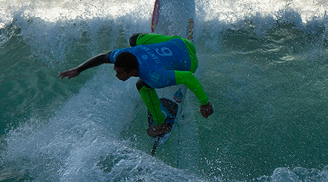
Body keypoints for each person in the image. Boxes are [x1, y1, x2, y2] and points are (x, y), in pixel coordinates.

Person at [59, 32, 213, 137]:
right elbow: (102, 58)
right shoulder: (124, 54)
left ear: (132, 71)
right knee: (134, 39)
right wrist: (78, 69)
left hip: (190, 62)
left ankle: (161, 122)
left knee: (142, 85)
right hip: (181, 42)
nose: (116, 75)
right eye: (116, 71)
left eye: (120, 73)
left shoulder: (154, 77)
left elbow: (188, 77)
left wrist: (204, 103)